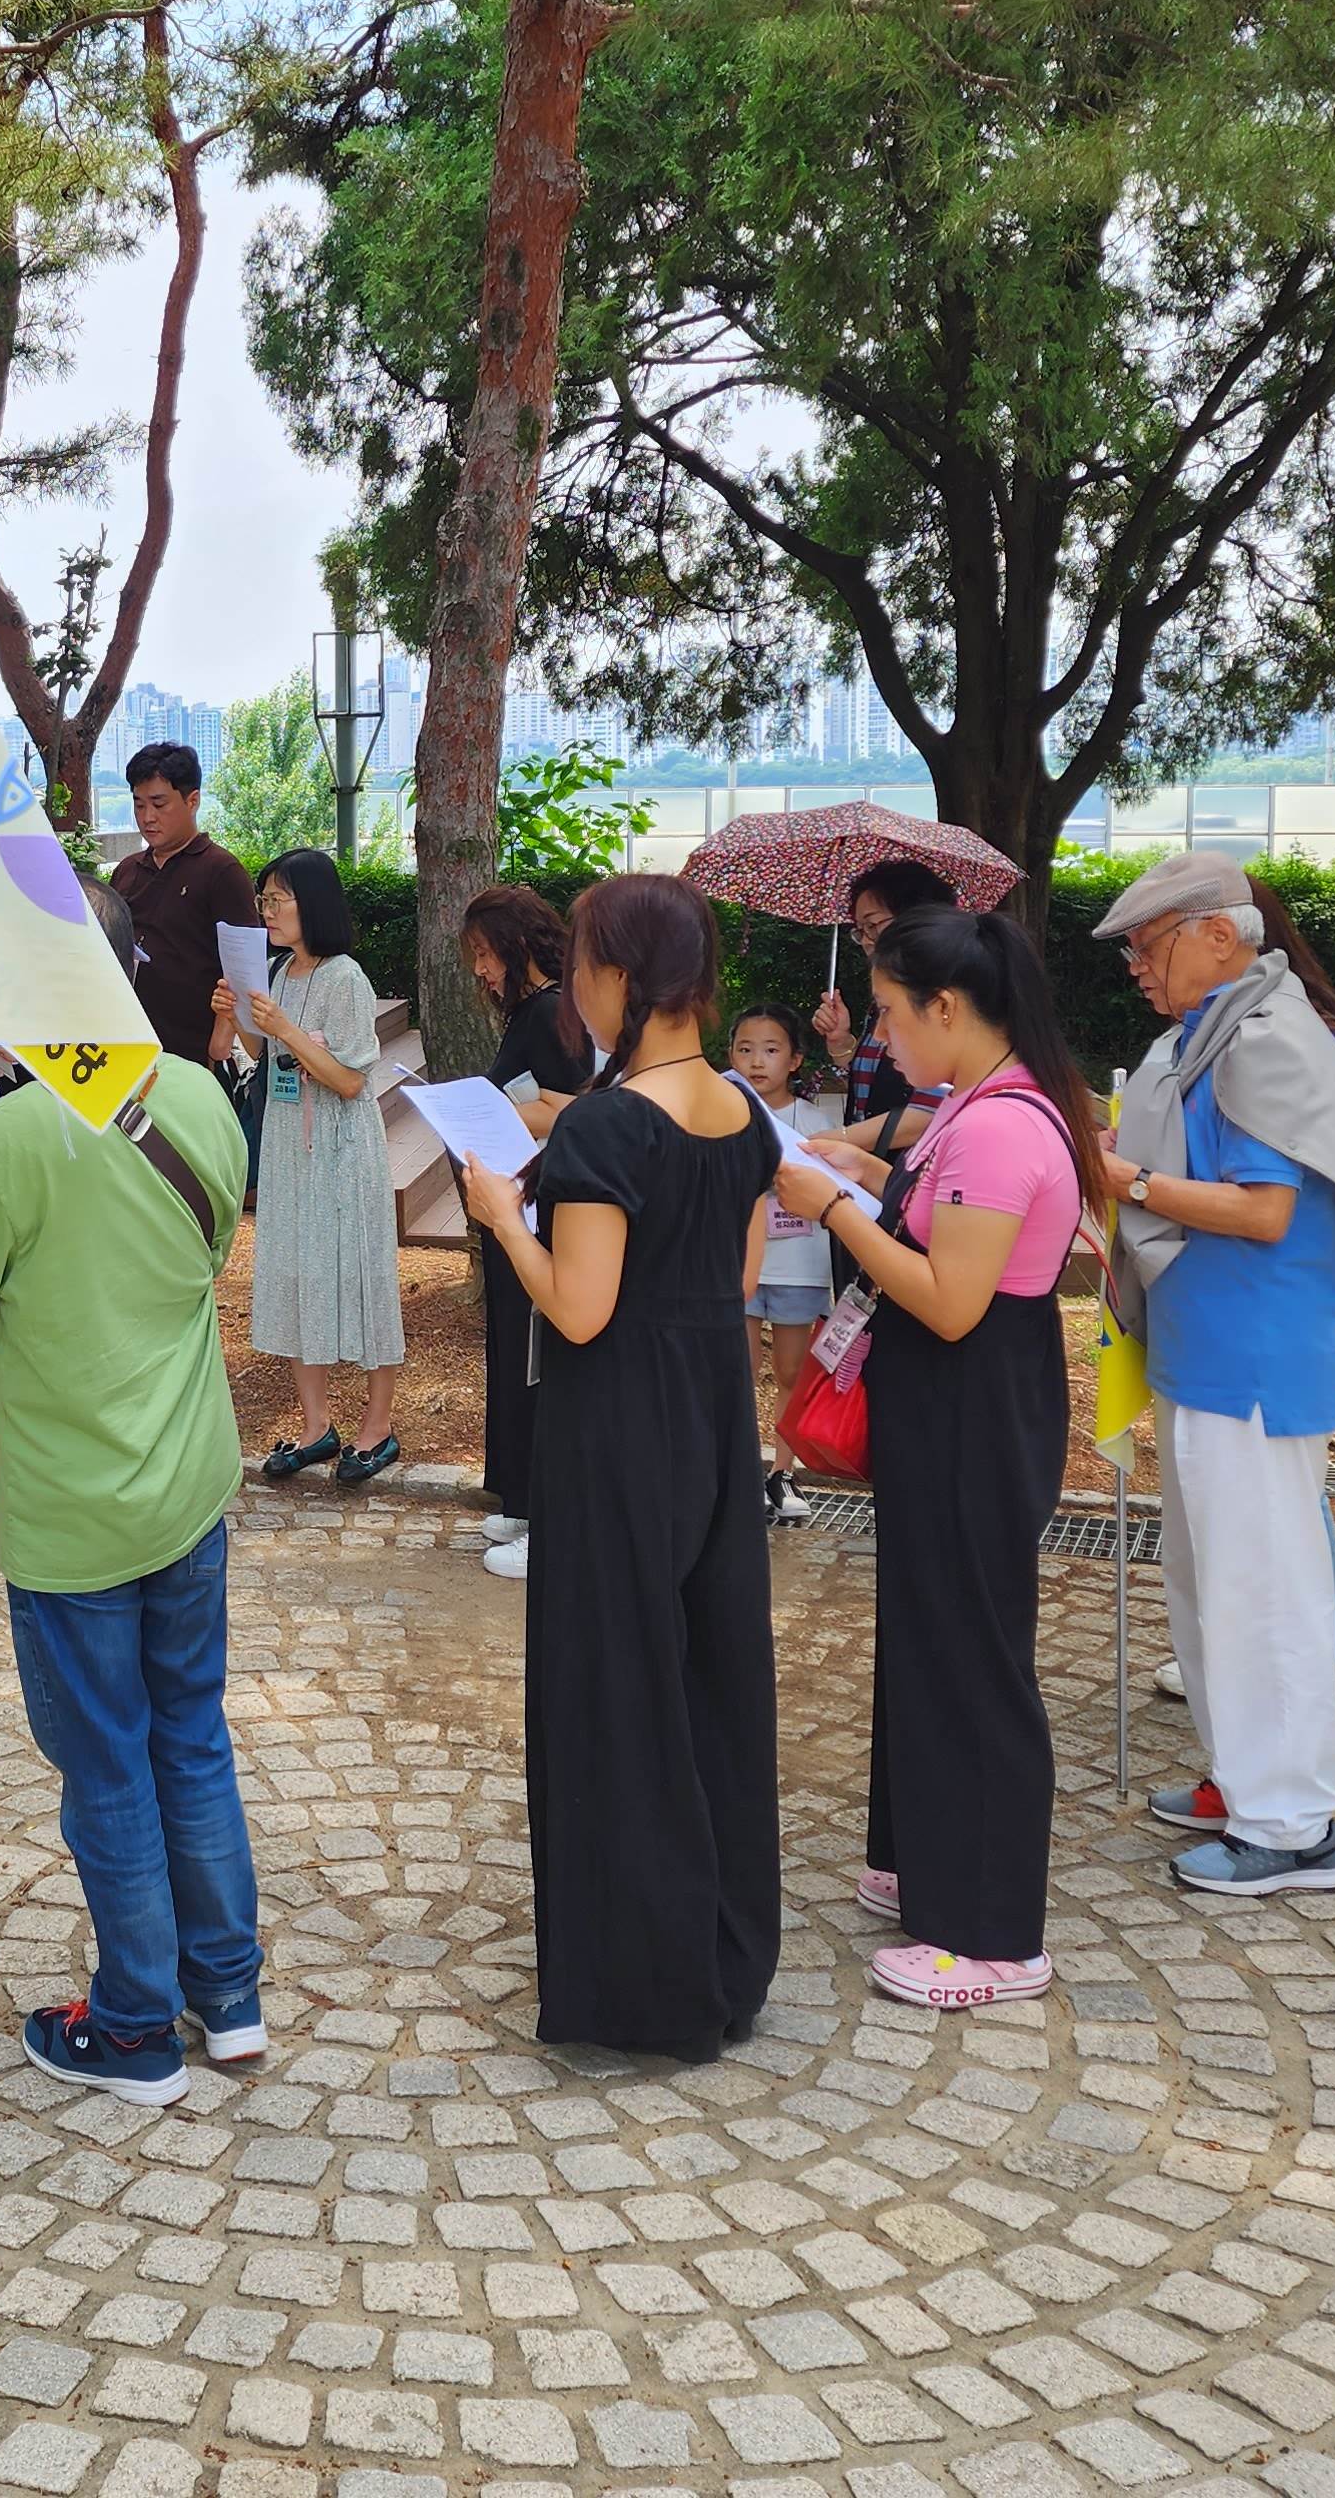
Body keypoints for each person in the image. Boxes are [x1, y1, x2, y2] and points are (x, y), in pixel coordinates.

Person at [0, 875, 261, 2104]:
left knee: (108, 1764)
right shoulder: (201, 1094)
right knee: (191, 1737)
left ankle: (131, 2029)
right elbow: (208, 1253)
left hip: (67, 1504)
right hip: (187, 1477)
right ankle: (229, 1996)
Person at [458, 872, 780, 2059]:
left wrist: (503, 1216)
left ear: (622, 977)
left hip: (616, 1430)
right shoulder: (742, 1111)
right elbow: (740, 1279)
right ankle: (722, 1948)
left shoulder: (605, 1127)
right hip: (712, 1416)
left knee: (616, 1685)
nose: (575, 990)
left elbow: (580, 1309)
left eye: (587, 963)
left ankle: (640, 1977)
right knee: (707, 1679)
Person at [778, 907, 1101, 2010]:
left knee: (971, 1655)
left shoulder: (1000, 1125)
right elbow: (931, 1226)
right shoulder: (977, 1099)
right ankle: (924, 1857)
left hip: (975, 1405)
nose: (881, 1034)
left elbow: (951, 1299)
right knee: (928, 1634)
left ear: (947, 1008)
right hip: (948, 1407)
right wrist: (863, 1176)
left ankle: (992, 1934)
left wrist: (833, 1205)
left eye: (888, 1012)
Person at [1095, 851, 1335, 1897]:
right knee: (1210, 1582)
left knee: (1262, 1593)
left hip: (1255, 1357)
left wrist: (1127, 1179)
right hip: (1211, 1352)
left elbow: (1265, 1212)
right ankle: (1241, 1777)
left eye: (1147, 946)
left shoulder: (1265, 1037)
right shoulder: (1219, 1030)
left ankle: (1292, 1824)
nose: (1137, 967)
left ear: (1219, 936)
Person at [213, 847, 404, 1482]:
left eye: (277, 900)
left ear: (312, 903)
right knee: (296, 1271)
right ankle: (316, 1425)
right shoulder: (277, 972)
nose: (266, 911)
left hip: (342, 1149)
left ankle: (378, 1426)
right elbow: (266, 1056)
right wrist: (238, 1016)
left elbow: (349, 1080)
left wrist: (286, 1031)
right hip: (289, 1146)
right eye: (263, 900)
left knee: (361, 1272)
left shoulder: (346, 977)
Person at [457, 883, 591, 1578]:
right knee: (514, 1349)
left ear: (516, 945)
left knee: (536, 1356)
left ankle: (547, 1513)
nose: (481, 970)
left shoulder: (550, 1012)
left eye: (486, 954)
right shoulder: (532, 1011)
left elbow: (574, 1108)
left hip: (540, 1210)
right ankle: (519, 1495)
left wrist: (497, 1114)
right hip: (516, 1203)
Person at [725, 1001, 832, 1532]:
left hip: (800, 1267)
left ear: (795, 1059)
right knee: (736, 1370)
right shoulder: (721, 1114)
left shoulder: (816, 1122)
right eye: (745, 1049)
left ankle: (782, 1472)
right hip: (741, 1263)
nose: (756, 1061)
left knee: (791, 1371)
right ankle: (740, 1470)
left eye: (770, 1050)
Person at [112, 742, 259, 1068]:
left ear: (192, 801)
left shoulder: (222, 871)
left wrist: (219, 1044)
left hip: (193, 1054)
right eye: (138, 805)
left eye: (159, 804)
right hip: (127, 1047)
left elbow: (243, 968)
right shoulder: (127, 870)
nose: (147, 817)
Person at [814, 858, 960, 1156]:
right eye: (860, 930)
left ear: (915, 916)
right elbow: (879, 1079)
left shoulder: (943, 994)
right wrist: (841, 1042)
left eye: (873, 925)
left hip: (920, 1166)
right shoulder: (889, 995)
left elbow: (931, 1110)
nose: (866, 941)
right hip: (879, 1166)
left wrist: (834, 1139)